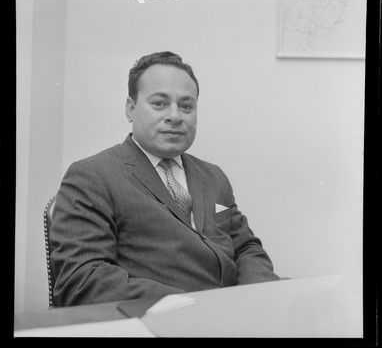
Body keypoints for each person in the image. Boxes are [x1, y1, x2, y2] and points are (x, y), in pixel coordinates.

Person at [50, 51, 280, 307]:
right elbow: (82, 278)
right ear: (131, 108)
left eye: (186, 106)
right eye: (159, 103)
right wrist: (190, 306)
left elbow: (246, 248)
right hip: (156, 323)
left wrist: (258, 297)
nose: (175, 116)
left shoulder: (214, 176)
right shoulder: (93, 175)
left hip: (233, 318)